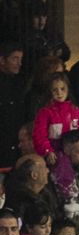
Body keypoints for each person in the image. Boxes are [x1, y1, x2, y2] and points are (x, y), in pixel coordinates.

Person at [31, 69, 79, 165]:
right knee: (64, 171)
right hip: (56, 154)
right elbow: (39, 135)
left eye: (62, 89)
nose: (59, 93)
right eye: (54, 90)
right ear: (49, 92)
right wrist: (47, 150)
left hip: (76, 151)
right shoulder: (45, 112)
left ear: (68, 89)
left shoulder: (75, 109)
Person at [0, 40, 28, 170]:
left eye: (20, 59)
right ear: (2, 60)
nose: (19, 63)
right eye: (15, 59)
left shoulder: (20, 84)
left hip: (15, 140)